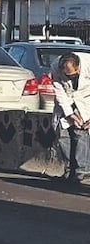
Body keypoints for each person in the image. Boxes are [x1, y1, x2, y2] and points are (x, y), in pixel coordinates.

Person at [50, 51, 90, 185]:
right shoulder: (55, 66)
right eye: (68, 76)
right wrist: (70, 113)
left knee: (81, 132)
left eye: (74, 75)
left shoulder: (88, 63)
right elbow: (59, 91)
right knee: (63, 135)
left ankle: (82, 171)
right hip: (67, 100)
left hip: (86, 99)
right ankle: (69, 170)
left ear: (79, 67)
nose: (71, 78)